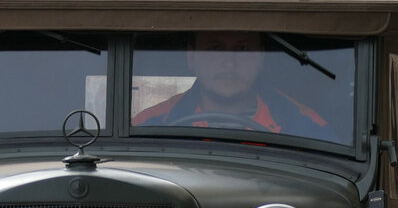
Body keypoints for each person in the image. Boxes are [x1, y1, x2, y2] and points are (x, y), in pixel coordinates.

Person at [132, 31, 328, 136]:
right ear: (191, 56)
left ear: (261, 56)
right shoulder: (149, 126)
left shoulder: (304, 127)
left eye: (242, 48)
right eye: (215, 48)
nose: (229, 62)